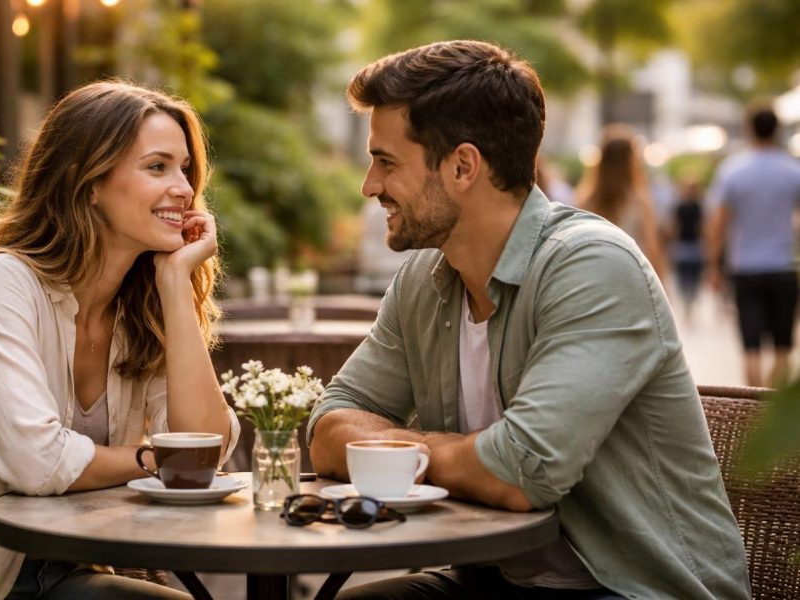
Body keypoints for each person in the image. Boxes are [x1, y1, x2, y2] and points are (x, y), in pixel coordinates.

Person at [307, 40, 748, 599]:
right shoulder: (424, 277)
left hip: (633, 588)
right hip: (487, 577)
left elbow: (523, 471)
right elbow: (328, 426)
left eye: (386, 162)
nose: (369, 185)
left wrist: (403, 451)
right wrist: (442, 452)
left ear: (463, 166)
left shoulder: (592, 266)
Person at [0, 80, 240, 600]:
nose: (185, 189)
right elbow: (33, 463)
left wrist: (175, 285)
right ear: (89, 182)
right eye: (157, 167)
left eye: (185, 168)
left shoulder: (140, 307)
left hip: (76, 574)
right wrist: (152, 461)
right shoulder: (5, 284)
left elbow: (205, 453)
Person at [707, 104, 800, 388]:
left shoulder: (733, 171)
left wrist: (713, 265)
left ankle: (753, 413)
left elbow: (718, 224)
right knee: (783, 348)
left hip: (745, 268)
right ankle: (773, 409)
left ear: (749, 130)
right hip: (784, 266)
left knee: (750, 349)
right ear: (778, 130)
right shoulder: (793, 171)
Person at [576, 124, 668, 283]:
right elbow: (652, 248)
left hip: (593, 279)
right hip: (632, 279)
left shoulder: (585, 199)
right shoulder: (638, 201)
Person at [670, 174, 705, 322]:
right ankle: (690, 300)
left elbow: (674, 228)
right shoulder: (697, 207)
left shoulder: (682, 206)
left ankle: (688, 301)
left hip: (687, 245)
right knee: (692, 277)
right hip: (691, 245)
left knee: (685, 277)